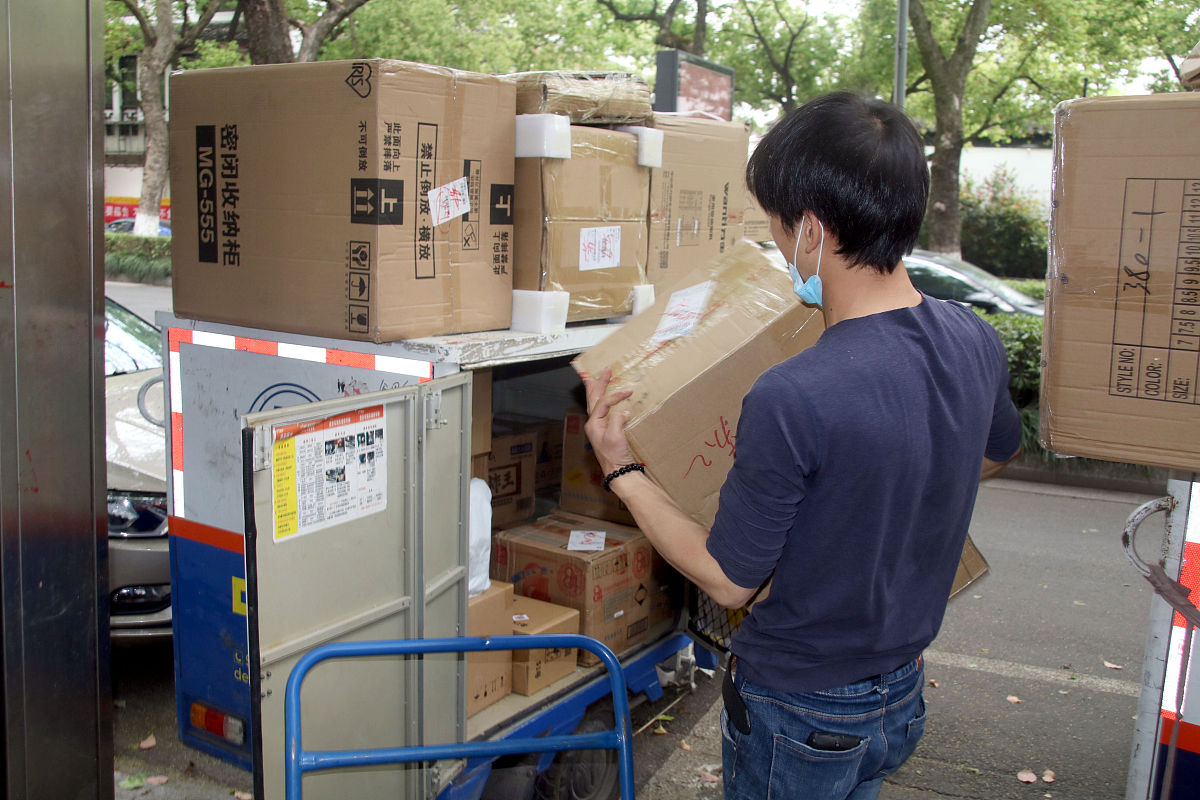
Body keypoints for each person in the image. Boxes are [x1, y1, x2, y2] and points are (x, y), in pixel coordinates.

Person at [582, 91, 1022, 800]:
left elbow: (728, 580)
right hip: (900, 693)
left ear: (811, 230)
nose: (779, 245)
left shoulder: (796, 391)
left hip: (800, 710)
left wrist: (622, 469)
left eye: (778, 226)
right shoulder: (972, 337)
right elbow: (996, 453)